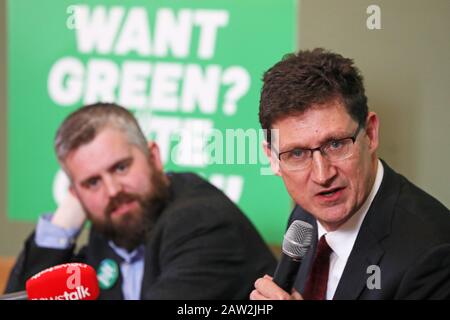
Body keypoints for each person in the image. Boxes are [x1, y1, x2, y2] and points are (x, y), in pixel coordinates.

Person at [5, 103, 276, 299]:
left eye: (121, 167)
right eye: (92, 182)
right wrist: (61, 228)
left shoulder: (202, 223)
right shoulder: (115, 228)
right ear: (75, 194)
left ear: (154, 158)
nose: (112, 191)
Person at [251, 48, 450, 300]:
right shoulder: (304, 217)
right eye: (297, 153)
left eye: (336, 144)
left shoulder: (434, 255)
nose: (322, 176)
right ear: (272, 158)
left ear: (370, 133)